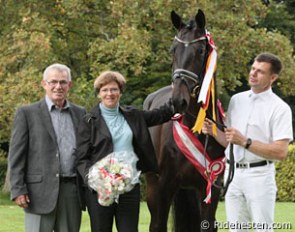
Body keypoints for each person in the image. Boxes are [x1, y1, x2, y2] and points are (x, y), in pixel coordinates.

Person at [202, 52, 293, 232]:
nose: (253, 73)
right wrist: (213, 132)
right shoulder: (237, 100)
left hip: (259, 176)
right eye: (253, 68)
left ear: (272, 78)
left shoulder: (280, 108)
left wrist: (245, 141)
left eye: (260, 71)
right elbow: (229, 142)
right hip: (233, 175)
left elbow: (281, 152)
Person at [75, 70, 175, 232]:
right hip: (100, 190)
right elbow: (81, 158)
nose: (110, 93)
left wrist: (176, 93)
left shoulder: (133, 115)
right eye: (105, 90)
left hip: (129, 187)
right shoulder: (88, 121)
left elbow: (160, 114)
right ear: (99, 94)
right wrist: (93, 180)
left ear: (120, 92)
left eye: (114, 89)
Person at [8, 63, 86, 232]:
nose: (58, 86)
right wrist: (18, 189)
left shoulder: (81, 113)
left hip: (71, 192)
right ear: (44, 84)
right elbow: (16, 155)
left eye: (63, 82)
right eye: (53, 82)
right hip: (37, 193)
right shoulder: (27, 113)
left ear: (70, 85)